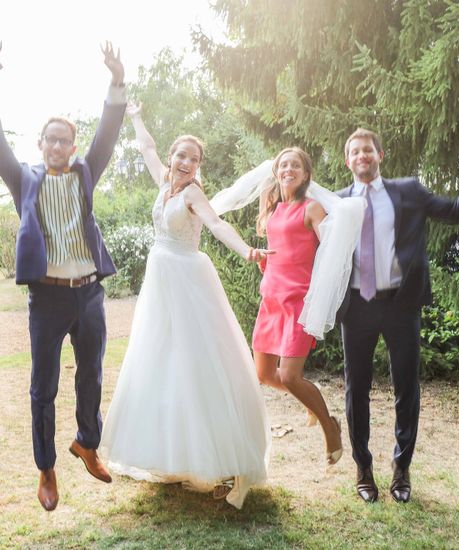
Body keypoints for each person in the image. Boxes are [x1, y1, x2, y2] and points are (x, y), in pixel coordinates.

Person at [100, 102, 272, 510]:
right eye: (181, 155)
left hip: (188, 281)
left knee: (198, 360)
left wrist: (247, 251)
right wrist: (137, 115)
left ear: (198, 167)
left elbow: (216, 224)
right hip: (160, 282)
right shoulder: (163, 182)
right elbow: (145, 147)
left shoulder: (193, 193)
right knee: (161, 360)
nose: (184, 163)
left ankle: (221, 460)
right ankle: (173, 456)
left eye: (193, 159)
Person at [0, 41, 125, 511]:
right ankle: (46, 468)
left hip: (90, 294)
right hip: (48, 298)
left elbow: (108, 133)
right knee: (43, 386)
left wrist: (116, 82)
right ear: (40, 145)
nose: (58, 145)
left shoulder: (85, 173)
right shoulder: (24, 180)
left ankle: (87, 442)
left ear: (72, 146)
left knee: (93, 376)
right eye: (51, 139)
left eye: (65, 139)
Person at [339, 126, 459, 503]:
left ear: (380, 155)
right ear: (347, 161)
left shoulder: (409, 191)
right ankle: (363, 467)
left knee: (406, 388)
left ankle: (402, 467)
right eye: (355, 151)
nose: (362, 155)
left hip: (401, 303)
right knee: (356, 390)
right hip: (357, 306)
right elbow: (307, 241)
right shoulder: (336, 202)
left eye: (369, 149)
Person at [251, 148, 344, 467]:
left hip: (299, 303)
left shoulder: (312, 208)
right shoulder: (272, 210)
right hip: (271, 299)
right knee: (264, 374)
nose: (288, 169)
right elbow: (281, 252)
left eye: (296, 165)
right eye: (283, 165)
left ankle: (329, 428)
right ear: (276, 172)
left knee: (290, 376)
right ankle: (310, 400)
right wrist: (264, 259)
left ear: (306, 175)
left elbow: (331, 248)